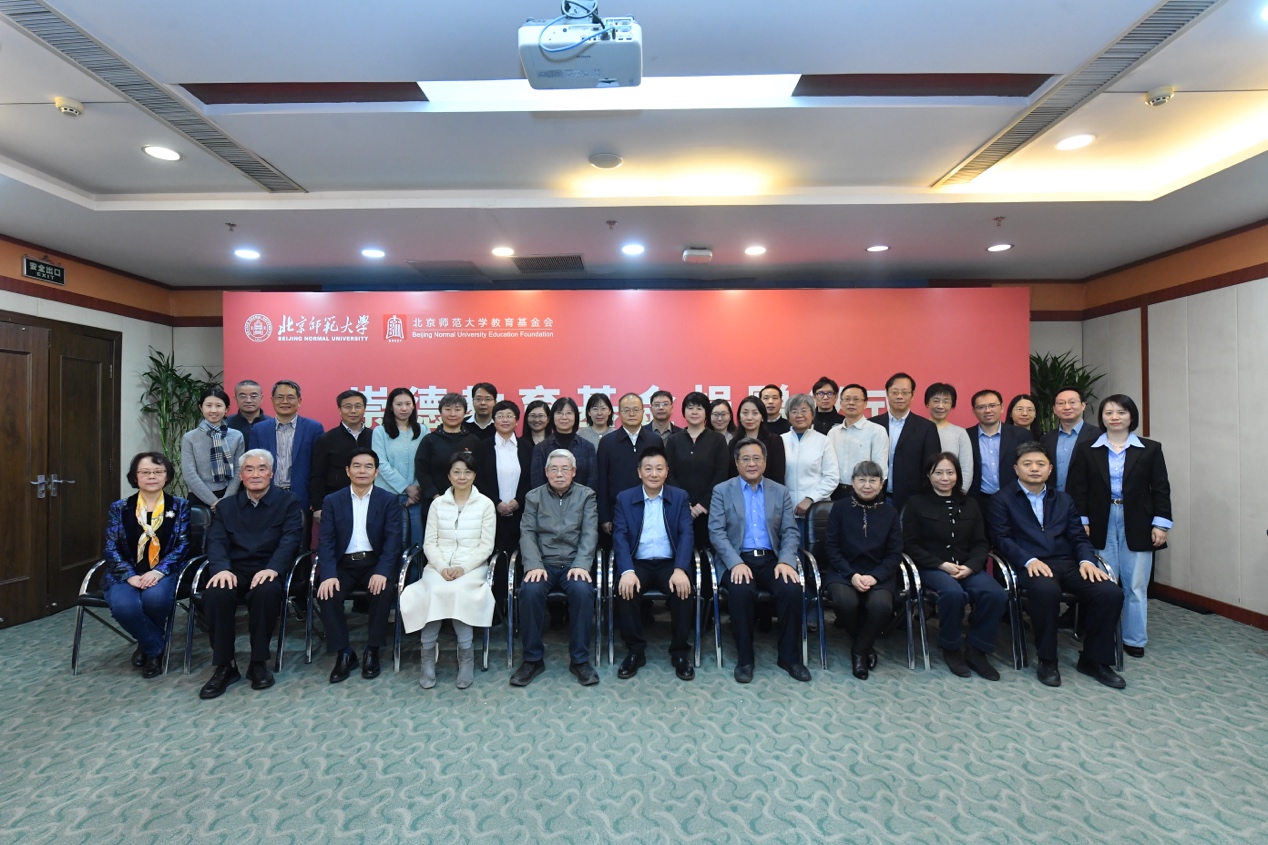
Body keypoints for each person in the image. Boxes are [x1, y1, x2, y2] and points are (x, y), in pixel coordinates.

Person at [988, 442, 1126, 689]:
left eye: (1040, 464)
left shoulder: (1063, 499)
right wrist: (1028, 560)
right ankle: (1048, 659)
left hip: (1067, 563)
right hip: (1030, 563)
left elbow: (1078, 536)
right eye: (1027, 464)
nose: (1034, 469)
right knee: (1046, 591)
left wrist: (1087, 560)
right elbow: (1001, 539)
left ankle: (1094, 660)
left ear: (1050, 469)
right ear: (1016, 468)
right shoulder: (1002, 499)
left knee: (1110, 592)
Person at [1067, 394, 1172, 659]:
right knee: (1103, 582)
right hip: (1099, 521)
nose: (1115, 417)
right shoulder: (1087, 448)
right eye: (1109, 413)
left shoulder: (1150, 448)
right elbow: (1078, 489)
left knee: (1136, 584)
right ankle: (1103, 634)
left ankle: (1134, 638)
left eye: (1121, 412)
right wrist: (1082, 522)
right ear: (1101, 418)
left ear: (1131, 416)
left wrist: (1161, 524)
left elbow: (1160, 489)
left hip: (1138, 522)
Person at [198, 449, 304, 699]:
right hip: (234, 569)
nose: (255, 474)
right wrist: (221, 569)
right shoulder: (226, 506)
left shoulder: (288, 502)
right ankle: (225, 665)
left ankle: (258, 662)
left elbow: (290, 541)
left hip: (268, 568)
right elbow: (216, 541)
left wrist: (273, 568)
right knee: (216, 593)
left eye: (261, 469)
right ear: (241, 475)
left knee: (266, 592)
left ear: (271, 473)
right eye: (249, 469)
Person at [708, 437, 809, 684]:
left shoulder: (779, 491)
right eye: (745, 459)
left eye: (756, 458)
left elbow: (790, 531)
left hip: (772, 559)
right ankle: (745, 659)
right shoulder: (722, 491)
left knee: (791, 589)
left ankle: (789, 657)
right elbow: (716, 532)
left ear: (765, 461)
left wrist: (786, 560)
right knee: (741, 591)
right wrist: (735, 563)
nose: (751, 464)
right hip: (737, 558)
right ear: (736, 463)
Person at [902, 453, 1006, 680]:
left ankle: (977, 650)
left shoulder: (970, 504)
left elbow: (981, 542)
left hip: (966, 566)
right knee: (952, 593)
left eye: (950, 472)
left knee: (995, 593)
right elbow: (910, 544)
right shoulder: (916, 503)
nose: (945, 478)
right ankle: (951, 647)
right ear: (928, 475)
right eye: (938, 473)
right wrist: (941, 565)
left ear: (958, 475)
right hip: (932, 567)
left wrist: (971, 566)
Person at [399, 452, 496, 690]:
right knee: (433, 591)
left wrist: (463, 567)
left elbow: (486, 546)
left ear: (474, 475)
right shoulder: (437, 504)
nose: (462, 477)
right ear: (449, 476)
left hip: (471, 568)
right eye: (457, 472)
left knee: (458, 592)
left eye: (467, 472)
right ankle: (427, 659)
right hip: (438, 567)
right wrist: (442, 567)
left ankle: (466, 658)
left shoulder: (485, 504)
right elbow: (429, 543)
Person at [511, 449, 600, 687]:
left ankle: (580, 660)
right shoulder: (534, 497)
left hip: (573, 563)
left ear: (574, 471)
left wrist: (581, 564)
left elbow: (590, 532)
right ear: (546, 472)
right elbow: (527, 532)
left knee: (583, 591)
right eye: (554, 469)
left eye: (564, 469)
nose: (559, 474)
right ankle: (532, 659)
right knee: (529, 591)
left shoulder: (586, 495)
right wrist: (533, 564)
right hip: (544, 563)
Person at [315, 448, 403, 683]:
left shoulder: (388, 500)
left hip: (374, 562)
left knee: (383, 591)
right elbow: (326, 541)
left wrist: (383, 571)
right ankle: (344, 652)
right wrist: (328, 574)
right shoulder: (333, 501)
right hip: (343, 564)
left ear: (376, 472)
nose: (362, 471)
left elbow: (393, 541)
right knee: (327, 593)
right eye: (356, 466)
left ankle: (372, 650)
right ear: (347, 471)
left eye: (368, 466)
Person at [102, 452, 191, 678]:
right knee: (124, 607)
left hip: (163, 572)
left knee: (155, 600)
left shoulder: (180, 506)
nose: (152, 476)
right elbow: (111, 547)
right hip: (125, 572)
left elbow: (183, 545)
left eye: (158, 471)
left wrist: (159, 572)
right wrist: (129, 575)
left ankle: (146, 646)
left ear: (167, 476)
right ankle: (155, 649)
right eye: (145, 472)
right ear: (135, 477)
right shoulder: (120, 507)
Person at [613, 446, 696, 681]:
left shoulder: (679, 497)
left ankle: (680, 653)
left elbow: (686, 534)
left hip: (670, 562)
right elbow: (619, 536)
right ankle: (635, 651)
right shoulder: (625, 498)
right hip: (637, 562)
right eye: (648, 469)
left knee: (683, 590)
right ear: (639, 472)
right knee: (626, 589)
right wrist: (627, 570)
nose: (654, 474)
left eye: (659, 468)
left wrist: (680, 569)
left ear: (667, 471)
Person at [820, 460, 901, 680]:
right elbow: (831, 547)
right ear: (852, 482)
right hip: (844, 570)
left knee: (881, 606)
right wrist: (852, 575)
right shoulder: (839, 508)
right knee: (845, 602)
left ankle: (859, 650)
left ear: (881, 484)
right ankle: (865, 646)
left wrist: (875, 576)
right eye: (862, 480)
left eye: (873, 480)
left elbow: (895, 553)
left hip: (879, 572)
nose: (867, 485)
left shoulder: (890, 513)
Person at [664, 391, 729, 552]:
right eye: (690, 408)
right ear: (683, 412)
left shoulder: (717, 440)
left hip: (710, 510)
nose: (694, 412)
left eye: (699, 408)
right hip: (679, 508)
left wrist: (702, 505)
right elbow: (668, 473)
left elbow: (721, 474)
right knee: (680, 552)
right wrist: (685, 503)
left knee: (708, 553)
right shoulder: (673, 440)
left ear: (706, 413)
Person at [249, 380, 324, 514]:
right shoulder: (259, 429)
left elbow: (319, 468)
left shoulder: (313, 428)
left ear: (299, 401)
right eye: (280, 397)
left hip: (301, 496)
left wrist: (316, 500)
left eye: (290, 397)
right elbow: (252, 466)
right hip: (266, 496)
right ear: (272, 400)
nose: (285, 402)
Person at [870, 372, 940, 512]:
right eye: (895, 392)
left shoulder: (926, 428)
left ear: (912, 395)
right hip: (875, 496)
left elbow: (931, 466)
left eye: (905, 392)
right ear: (887, 394)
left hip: (913, 499)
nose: (899, 396)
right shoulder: (872, 424)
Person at [596, 393, 662, 536]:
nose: (631, 414)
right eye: (626, 410)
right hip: (617, 510)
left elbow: (662, 476)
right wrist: (605, 516)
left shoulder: (655, 440)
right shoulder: (607, 442)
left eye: (636, 410)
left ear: (643, 412)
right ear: (619, 413)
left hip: (651, 508)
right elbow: (602, 481)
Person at [474, 399, 533, 556]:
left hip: (521, 513)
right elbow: (477, 479)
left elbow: (531, 479)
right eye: (500, 416)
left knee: (519, 555)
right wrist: (496, 503)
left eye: (509, 416)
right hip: (490, 513)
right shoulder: (482, 447)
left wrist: (518, 501)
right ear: (494, 421)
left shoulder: (527, 447)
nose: (505, 420)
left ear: (517, 421)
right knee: (494, 555)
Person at [371, 387, 428, 547]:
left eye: (408, 404)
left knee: (416, 543)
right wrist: (405, 487)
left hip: (416, 498)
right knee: (389, 543)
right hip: (387, 496)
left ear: (413, 406)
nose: (404, 408)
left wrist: (415, 489)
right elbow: (380, 463)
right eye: (399, 404)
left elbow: (425, 462)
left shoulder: (422, 430)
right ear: (391, 407)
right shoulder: (380, 432)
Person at [309, 390, 373, 526]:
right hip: (337, 502)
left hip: (370, 501)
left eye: (358, 406)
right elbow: (317, 475)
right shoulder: (326, 439)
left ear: (364, 409)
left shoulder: (375, 437)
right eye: (348, 406)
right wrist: (318, 506)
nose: (353, 411)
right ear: (339, 409)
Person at [966, 389, 1030, 522]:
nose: (987, 410)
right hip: (979, 501)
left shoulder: (1021, 435)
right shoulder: (966, 436)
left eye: (992, 405)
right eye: (981, 407)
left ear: (1002, 408)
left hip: (1014, 499)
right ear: (974, 411)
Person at [781, 394, 839, 537]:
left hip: (815, 511)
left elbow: (831, 477)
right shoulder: (780, 441)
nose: (799, 415)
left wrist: (810, 499)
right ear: (788, 416)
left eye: (804, 410)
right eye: (794, 411)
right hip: (786, 511)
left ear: (812, 414)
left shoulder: (823, 441)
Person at [413, 392, 481, 512]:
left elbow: (480, 471)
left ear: (465, 413)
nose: (452, 414)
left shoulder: (473, 440)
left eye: (457, 409)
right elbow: (421, 471)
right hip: (435, 503)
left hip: (469, 504)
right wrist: (436, 497)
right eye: (448, 409)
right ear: (440, 412)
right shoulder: (430, 440)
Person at [181, 387, 245, 510]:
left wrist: (225, 500)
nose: (213, 410)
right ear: (201, 408)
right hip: (198, 497)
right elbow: (189, 474)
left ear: (227, 409)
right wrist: (214, 502)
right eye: (208, 405)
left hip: (229, 496)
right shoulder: (190, 437)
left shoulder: (236, 436)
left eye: (218, 406)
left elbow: (238, 469)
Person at [826, 383, 889, 500]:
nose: (851, 403)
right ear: (841, 403)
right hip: (835, 491)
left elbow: (880, 468)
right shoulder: (833, 433)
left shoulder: (877, 431)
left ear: (865, 404)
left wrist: (871, 490)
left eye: (856, 399)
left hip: (865, 492)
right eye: (847, 399)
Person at [529, 396, 597, 489]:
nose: (564, 417)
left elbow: (592, 482)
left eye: (569, 413)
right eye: (559, 413)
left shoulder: (587, 447)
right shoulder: (541, 448)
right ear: (552, 417)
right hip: (547, 498)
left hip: (582, 498)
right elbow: (537, 483)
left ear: (576, 416)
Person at [1040, 386, 1099, 492]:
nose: (1067, 407)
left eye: (1072, 402)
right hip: (1052, 498)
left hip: (1086, 498)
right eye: (1061, 403)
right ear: (1054, 409)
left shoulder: (1098, 436)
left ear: (1083, 406)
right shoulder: (1046, 439)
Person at [924, 383, 973, 494]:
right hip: (922, 494)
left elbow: (966, 468)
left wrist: (960, 494)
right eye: (936, 401)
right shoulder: (918, 430)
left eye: (946, 402)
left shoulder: (960, 433)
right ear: (927, 403)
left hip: (953, 494)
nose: (941, 406)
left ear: (952, 405)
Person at [729, 395, 786, 485]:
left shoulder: (774, 441)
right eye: (745, 413)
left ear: (762, 417)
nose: (749, 418)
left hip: (768, 490)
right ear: (739, 417)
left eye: (755, 413)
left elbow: (778, 475)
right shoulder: (733, 443)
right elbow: (731, 475)